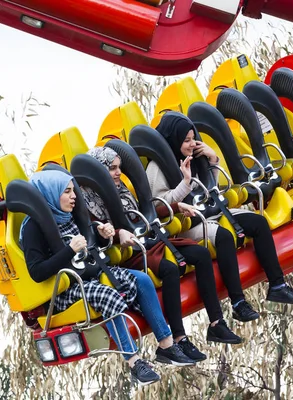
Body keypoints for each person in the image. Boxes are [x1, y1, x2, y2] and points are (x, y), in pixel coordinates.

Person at [20, 170, 195, 386]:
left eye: (73, 191)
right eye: (67, 192)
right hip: (65, 289)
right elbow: (37, 272)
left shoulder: (70, 214)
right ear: (50, 194)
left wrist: (102, 235)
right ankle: (133, 361)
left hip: (93, 273)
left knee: (141, 280)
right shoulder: (32, 228)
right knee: (107, 295)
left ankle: (167, 345)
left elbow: (88, 244)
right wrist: (69, 250)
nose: (74, 196)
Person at [81, 147, 243, 359]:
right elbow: (95, 233)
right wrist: (118, 233)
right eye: (112, 169)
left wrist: (176, 206)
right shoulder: (88, 203)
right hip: (128, 254)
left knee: (201, 255)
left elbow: (142, 214)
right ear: (99, 173)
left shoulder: (122, 190)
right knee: (169, 268)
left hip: (149, 241)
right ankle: (179, 338)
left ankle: (216, 323)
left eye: (119, 168)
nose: (118, 173)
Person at [146, 113, 293, 320]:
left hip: (209, 210)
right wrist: (184, 183)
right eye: (186, 140)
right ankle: (238, 302)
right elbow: (160, 205)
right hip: (185, 222)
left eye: (192, 138)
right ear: (174, 139)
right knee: (224, 236)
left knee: (258, 222)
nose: (192, 143)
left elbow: (208, 186)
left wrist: (212, 160)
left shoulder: (194, 156)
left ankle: (277, 285)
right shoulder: (156, 167)